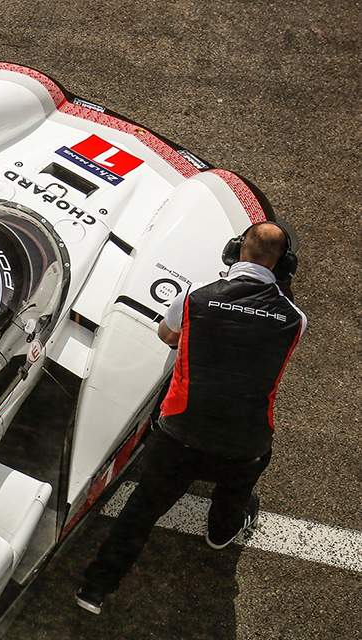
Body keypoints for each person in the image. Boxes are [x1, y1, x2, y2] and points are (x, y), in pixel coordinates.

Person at [75, 221, 307, 615]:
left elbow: (167, 336)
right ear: (284, 266)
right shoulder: (295, 319)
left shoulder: (194, 296)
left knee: (142, 510)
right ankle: (221, 532)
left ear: (235, 251)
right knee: (240, 489)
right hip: (244, 444)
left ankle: (95, 589)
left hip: (179, 436)